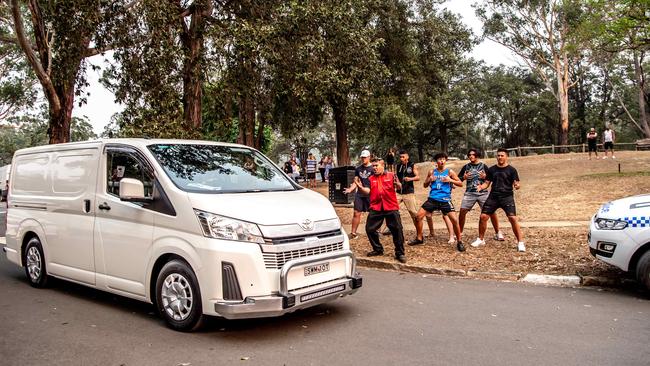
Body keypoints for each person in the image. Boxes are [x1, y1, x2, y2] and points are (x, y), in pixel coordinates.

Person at [471, 148, 525, 252]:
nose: (500, 157)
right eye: (498, 155)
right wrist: (481, 187)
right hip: (493, 196)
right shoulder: (492, 169)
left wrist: (517, 185)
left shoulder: (512, 170)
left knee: (513, 218)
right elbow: (487, 183)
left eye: (502, 155)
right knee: (483, 216)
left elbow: (516, 183)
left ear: (506, 157)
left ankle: (520, 242)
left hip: (507, 197)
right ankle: (480, 239)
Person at [410, 152, 465, 252]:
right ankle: (419, 238)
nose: (442, 161)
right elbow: (425, 185)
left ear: (446, 160)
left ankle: (459, 242)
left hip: (445, 200)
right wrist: (429, 179)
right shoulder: (432, 172)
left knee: (455, 220)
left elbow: (460, 184)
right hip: (432, 199)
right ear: (437, 161)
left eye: (443, 159)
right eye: (440, 159)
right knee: (418, 217)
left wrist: (450, 180)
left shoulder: (449, 172)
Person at [354, 158, 406, 263]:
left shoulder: (391, 175)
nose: (374, 168)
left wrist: (399, 185)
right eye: (373, 166)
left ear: (383, 166)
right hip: (376, 207)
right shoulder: (371, 178)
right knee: (370, 229)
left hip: (390, 206)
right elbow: (367, 191)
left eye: (376, 165)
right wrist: (360, 187)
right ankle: (378, 249)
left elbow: (400, 187)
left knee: (397, 230)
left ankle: (400, 253)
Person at [394, 149, 453, 242]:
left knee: (416, 213)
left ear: (407, 156)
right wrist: (396, 183)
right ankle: (422, 235)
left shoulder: (412, 165)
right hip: (402, 193)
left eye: (403, 156)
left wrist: (409, 179)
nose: (401, 159)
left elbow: (418, 177)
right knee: (392, 209)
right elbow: (425, 184)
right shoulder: (399, 166)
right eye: (400, 157)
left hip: (411, 193)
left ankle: (452, 236)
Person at [458, 148, 503, 241]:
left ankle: (498, 232)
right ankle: (459, 232)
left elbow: (491, 179)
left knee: (492, 212)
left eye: (473, 154)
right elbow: (458, 179)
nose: (470, 156)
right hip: (469, 193)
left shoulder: (483, 166)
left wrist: (485, 176)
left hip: (483, 193)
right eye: (469, 155)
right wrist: (464, 177)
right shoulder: (466, 167)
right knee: (462, 211)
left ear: (477, 155)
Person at [343, 150, 374, 239]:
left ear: (369, 157)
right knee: (356, 213)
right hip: (360, 194)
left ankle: (375, 231)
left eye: (365, 157)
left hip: (370, 194)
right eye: (362, 157)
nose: (363, 159)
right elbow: (355, 181)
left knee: (374, 213)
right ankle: (353, 233)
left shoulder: (373, 168)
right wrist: (350, 189)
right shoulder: (358, 169)